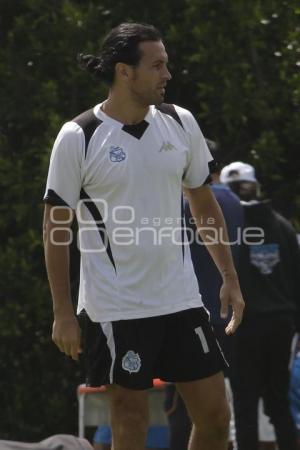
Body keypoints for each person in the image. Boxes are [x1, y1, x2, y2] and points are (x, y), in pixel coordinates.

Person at [43, 23, 245, 450]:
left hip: (181, 299)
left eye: (166, 64)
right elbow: (55, 229)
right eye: (157, 65)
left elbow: (203, 206)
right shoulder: (79, 135)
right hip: (116, 307)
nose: (167, 74)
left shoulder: (180, 122)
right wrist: (62, 310)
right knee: (131, 422)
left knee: (216, 416)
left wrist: (229, 275)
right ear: (125, 72)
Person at [165, 140, 244, 450]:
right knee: (218, 407)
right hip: (226, 310)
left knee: (180, 407)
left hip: (190, 311)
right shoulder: (236, 202)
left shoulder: (188, 202)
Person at [220, 161, 300, 450]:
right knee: (279, 402)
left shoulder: (227, 228)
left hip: (242, 326)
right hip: (281, 325)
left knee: (244, 404)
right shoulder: (282, 226)